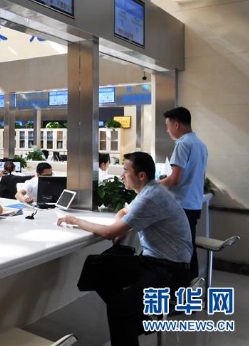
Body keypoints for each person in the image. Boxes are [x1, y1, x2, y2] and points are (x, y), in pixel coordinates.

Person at [57, 152, 192, 346]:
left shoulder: (151, 198)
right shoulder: (150, 191)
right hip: (154, 262)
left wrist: (73, 220)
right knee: (97, 268)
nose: (121, 175)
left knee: (118, 308)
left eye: (126, 171)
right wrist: (121, 229)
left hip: (171, 270)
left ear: (141, 175)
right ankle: (138, 321)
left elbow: (108, 233)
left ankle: (133, 320)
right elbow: (122, 212)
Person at [158, 107, 208, 278]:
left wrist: (153, 186)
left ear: (176, 125)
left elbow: (175, 179)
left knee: (180, 252)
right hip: (194, 204)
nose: (167, 130)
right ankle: (191, 287)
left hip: (181, 206)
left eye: (168, 126)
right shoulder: (200, 145)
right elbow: (201, 176)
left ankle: (184, 288)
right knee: (188, 248)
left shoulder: (182, 144)